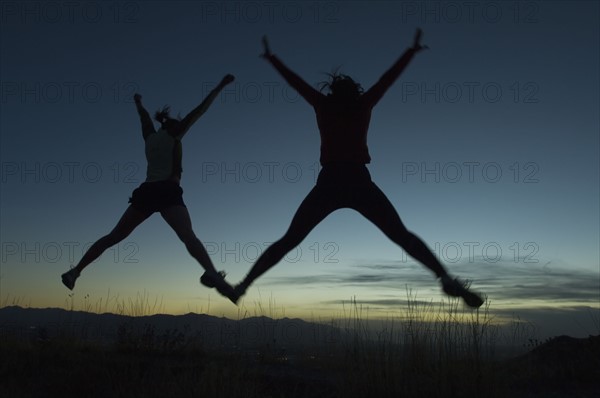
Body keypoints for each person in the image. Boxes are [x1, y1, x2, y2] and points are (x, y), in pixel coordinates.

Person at [230, 30, 484, 308]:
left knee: (290, 239)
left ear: (333, 91)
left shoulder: (323, 105)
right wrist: (410, 52)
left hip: (329, 181)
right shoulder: (363, 104)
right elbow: (387, 80)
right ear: (355, 91)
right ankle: (446, 278)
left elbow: (296, 83)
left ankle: (243, 286)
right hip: (358, 180)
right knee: (401, 235)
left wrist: (272, 58)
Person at [61, 74, 236, 298]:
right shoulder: (175, 135)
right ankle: (210, 271)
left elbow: (143, 119)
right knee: (187, 235)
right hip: (167, 190)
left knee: (113, 236)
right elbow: (200, 110)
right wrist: (220, 85)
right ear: (175, 127)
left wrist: (138, 103)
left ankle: (75, 271)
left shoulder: (150, 139)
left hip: (146, 191)